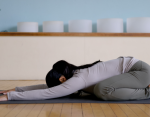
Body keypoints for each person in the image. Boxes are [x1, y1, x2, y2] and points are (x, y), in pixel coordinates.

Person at [0, 56, 150, 101]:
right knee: (100, 89)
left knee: (102, 89)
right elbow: (48, 88)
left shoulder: (79, 79)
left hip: (141, 72)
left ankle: (147, 92)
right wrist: (16, 89)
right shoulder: (75, 75)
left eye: (58, 85)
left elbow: (48, 93)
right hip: (134, 73)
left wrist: (10, 97)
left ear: (62, 79)